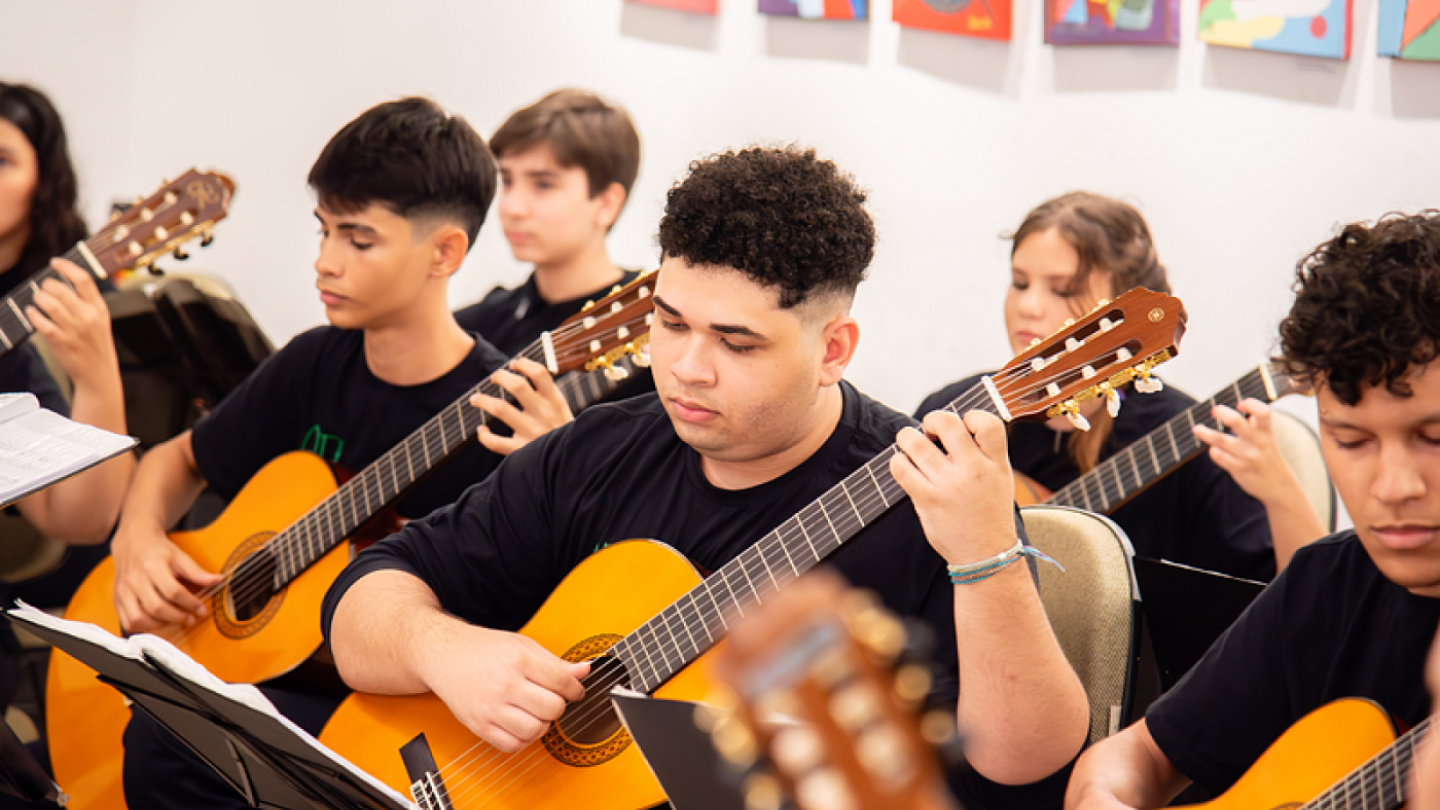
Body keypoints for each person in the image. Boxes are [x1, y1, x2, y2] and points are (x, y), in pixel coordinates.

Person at [323, 145, 1090, 809]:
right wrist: (442, 651)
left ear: (833, 350)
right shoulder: (600, 449)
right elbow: (363, 600)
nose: (687, 369)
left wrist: (987, 558)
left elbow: (1025, 764)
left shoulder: (931, 497)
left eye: (737, 343)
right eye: (671, 323)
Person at [108, 97, 522, 808]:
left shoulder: (499, 418)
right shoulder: (314, 362)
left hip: (380, 707)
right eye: (324, 231)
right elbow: (175, 460)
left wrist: (537, 464)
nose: (325, 262)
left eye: (358, 240)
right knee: (163, 734)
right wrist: (137, 539)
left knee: (171, 742)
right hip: (248, 667)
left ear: (445, 253)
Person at [1064, 210, 1440, 810]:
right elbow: (1134, 757)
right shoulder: (1327, 584)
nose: (1394, 487)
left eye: (1433, 438)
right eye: (1351, 441)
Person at [916, 192, 1324, 580]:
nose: (1029, 306)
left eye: (1063, 289)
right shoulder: (957, 412)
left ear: (1121, 310)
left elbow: (1288, 610)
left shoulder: (1193, 439)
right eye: (1020, 283)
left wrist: (1281, 492)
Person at [0, 81, 134, 712]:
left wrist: (97, 373)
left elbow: (76, 519)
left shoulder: (54, 317)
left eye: (2, 160)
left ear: (43, 179)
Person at [456, 89, 650, 455]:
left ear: (606, 204)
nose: (512, 207)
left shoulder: (658, 326)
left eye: (542, 184)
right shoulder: (475, 326)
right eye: (508, 181)